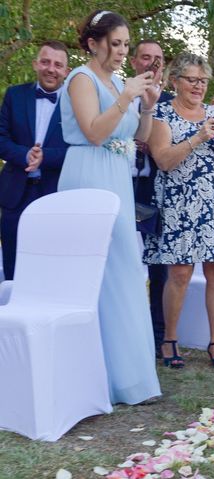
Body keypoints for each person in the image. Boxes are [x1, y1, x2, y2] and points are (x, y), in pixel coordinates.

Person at [57, 10, 162, 404]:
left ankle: (129, 378)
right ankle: (89, 374)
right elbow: (94, 132)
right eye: (115, 44)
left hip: (118, 176)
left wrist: (147, 105)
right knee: (94, 273)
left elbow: (140, 137)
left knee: (124, 270)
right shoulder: (80, 79)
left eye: (125, 45)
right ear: (93, 43)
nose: (122, 52)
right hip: (87, 174)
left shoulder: (121, 82)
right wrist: (125, 96)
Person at [143, 52, 214, 369]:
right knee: (180, 274)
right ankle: (170, 340)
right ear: (176, 81)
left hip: (213, 203)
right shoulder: (162, 114)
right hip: (178, 203)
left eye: (203, 81)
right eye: (192, 80)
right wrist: (199, 136)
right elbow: (163, 160)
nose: (199, 86)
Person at [0, 41, 70, 281]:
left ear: (66, 71)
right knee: (12, 264)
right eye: (46, 62)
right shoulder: (15, 94)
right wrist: (24, 155)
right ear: (35, 64)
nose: (51, 69)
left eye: (58, 65)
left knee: (49, 265)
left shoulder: (75, 104)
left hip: (54, 194)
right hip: (14, 195)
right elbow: (1, 137)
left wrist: (45, 157)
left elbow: (79, 150)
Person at [129, 39, 173, 357]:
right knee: (127, 263)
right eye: (146, 57)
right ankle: (128, 331)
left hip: (156, 191)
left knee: (160, 267)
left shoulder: (171, 103)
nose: (152, 64)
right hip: (122, 186)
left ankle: (158, 336)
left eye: (158, 59)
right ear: (134, 62)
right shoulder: (119, 93)